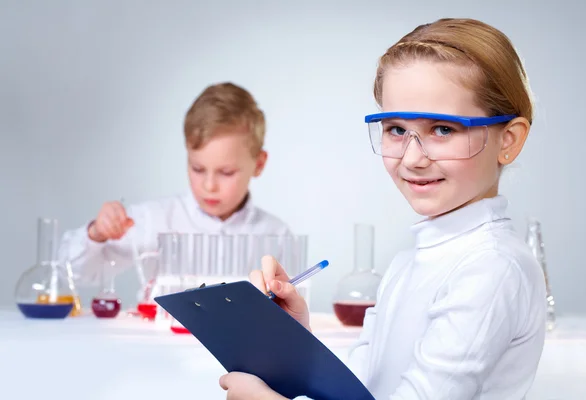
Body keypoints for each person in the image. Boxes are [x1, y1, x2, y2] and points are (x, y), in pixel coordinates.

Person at [218, 18, 547, 400]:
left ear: (508, 139)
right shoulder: (408, 264)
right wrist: (295, 343)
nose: (412, 158)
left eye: (443, 129)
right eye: (395, 128)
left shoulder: (493, 268)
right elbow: (360, 392)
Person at [59, 82, 291, 284]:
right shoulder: (154, 219)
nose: (209, 185)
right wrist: (97, 233)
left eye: (226, 172)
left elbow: (290, 309)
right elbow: (74, 274)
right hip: (163, 336)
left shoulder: (276, 235)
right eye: (198, 169)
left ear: (259, 164)